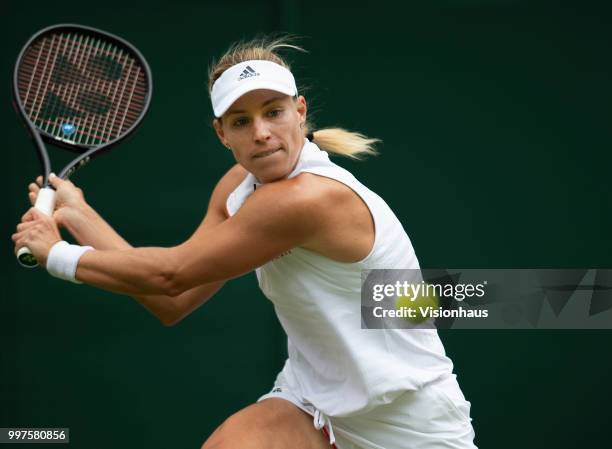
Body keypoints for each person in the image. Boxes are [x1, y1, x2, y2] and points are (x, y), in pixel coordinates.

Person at [12, 37, 478, 449]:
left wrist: (57, 254)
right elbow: (172, 299)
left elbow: (168, 274)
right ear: (222, 133)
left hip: (408, 422)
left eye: (273, 112)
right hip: (312, 402)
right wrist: (78, 214)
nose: (260, 132)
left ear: (299, 111)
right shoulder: (239, 186)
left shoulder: (305, 199)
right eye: (240, 120)